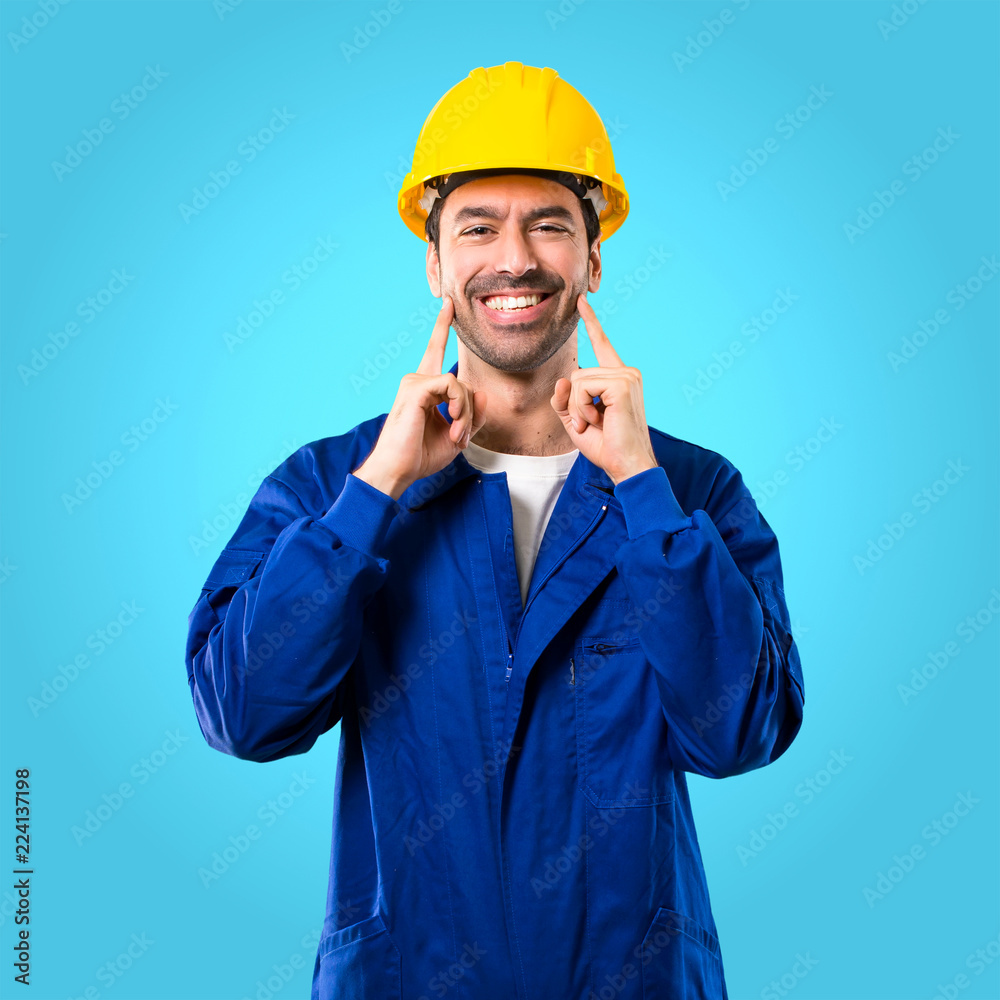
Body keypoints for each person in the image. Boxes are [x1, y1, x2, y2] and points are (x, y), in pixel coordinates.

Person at [185, 61, 804, 1000]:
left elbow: (741, 732)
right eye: (477, 227)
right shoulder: (330, 484)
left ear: (592, 259)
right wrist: (377, 493)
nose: (513, 258)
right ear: (435, 264)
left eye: (549, 224)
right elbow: (244, 713)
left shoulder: (691, 491)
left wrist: (639, 487)